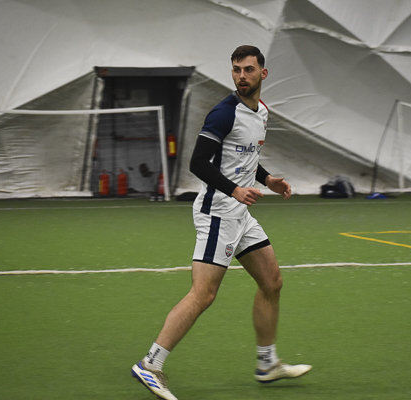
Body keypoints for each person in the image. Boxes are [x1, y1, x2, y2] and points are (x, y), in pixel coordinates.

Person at [131, 45, 311, 399]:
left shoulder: (261, 111)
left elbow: (244, 156)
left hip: (239, 213)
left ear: (263, 73)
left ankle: (267, 363)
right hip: (218, 213)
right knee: (203, 294)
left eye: (248, 69)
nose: (241, 76)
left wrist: (267, 179)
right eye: (236, 70)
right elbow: (198, 162)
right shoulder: (223, 113)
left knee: (272, 282)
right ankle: (150, 364)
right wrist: (234, 190)